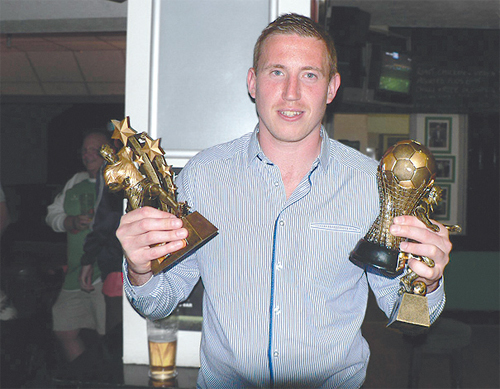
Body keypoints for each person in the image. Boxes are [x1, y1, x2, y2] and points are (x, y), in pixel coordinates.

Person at [116, 14, 453, 388]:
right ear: (252, 83)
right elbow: (156, 302)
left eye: (309, 75)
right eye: (277, 72)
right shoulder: (202, 176)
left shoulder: (375, 186)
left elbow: (407, 316)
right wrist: (140, 269)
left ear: (331, 87)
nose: (291, 92)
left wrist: (429, 283)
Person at [46, 131, 109, 367]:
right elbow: (52, 215)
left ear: (107, 152)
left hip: (104, 274)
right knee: (64, 329)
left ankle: (104, 378)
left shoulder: (115, 183)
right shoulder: (75, 181)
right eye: (84, 149)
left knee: (107, 335)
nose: (87, 154)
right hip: (75, 273)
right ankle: (85, 376)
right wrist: (68, 222)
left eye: (94, 149)